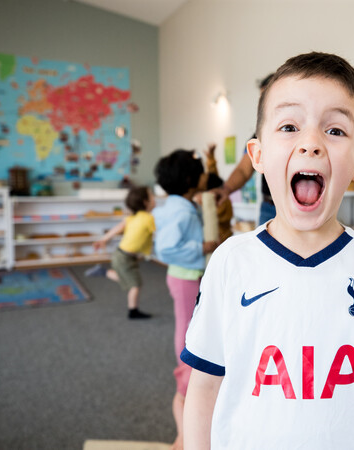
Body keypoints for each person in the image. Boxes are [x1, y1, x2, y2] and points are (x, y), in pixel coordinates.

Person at [180, 52, 354, 449]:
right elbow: (206, 385)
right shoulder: (231, 262)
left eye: (334, 130)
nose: (311, 143)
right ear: (258, 155)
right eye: (289, 126)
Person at [152, 149, 219, 450]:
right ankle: (186, 368)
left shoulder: (177, 204)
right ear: (191, 179)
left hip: (187, 275)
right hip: (185, 274)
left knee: (191, 322)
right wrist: (201, 245)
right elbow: (165, 249)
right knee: (189, 324)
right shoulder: (180, 210)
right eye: (200, 171)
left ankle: (189, 365)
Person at [212, 74, 276, 225]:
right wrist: (226, 190)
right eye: (261, 99)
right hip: (269, 208)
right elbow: (243, 170)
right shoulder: (259, 135)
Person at [86, 186, 155, 319]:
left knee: (128, 280)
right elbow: (158, 234)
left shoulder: (132, 217)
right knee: (135, 285)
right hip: (124, 257)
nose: (154, 198)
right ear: (146, 202)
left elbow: (118, 227)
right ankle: (133, 311)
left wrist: (103, 239)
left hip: (122, 255)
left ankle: (103, 272)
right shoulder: (148, 218)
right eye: (151, 195)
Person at [198, 143, 233, 242]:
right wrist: (211, 156)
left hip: (221, 240)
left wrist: (201, 202)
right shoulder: (214, 185)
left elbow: (212, 214)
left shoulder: (222, 202)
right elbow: (212, 172)